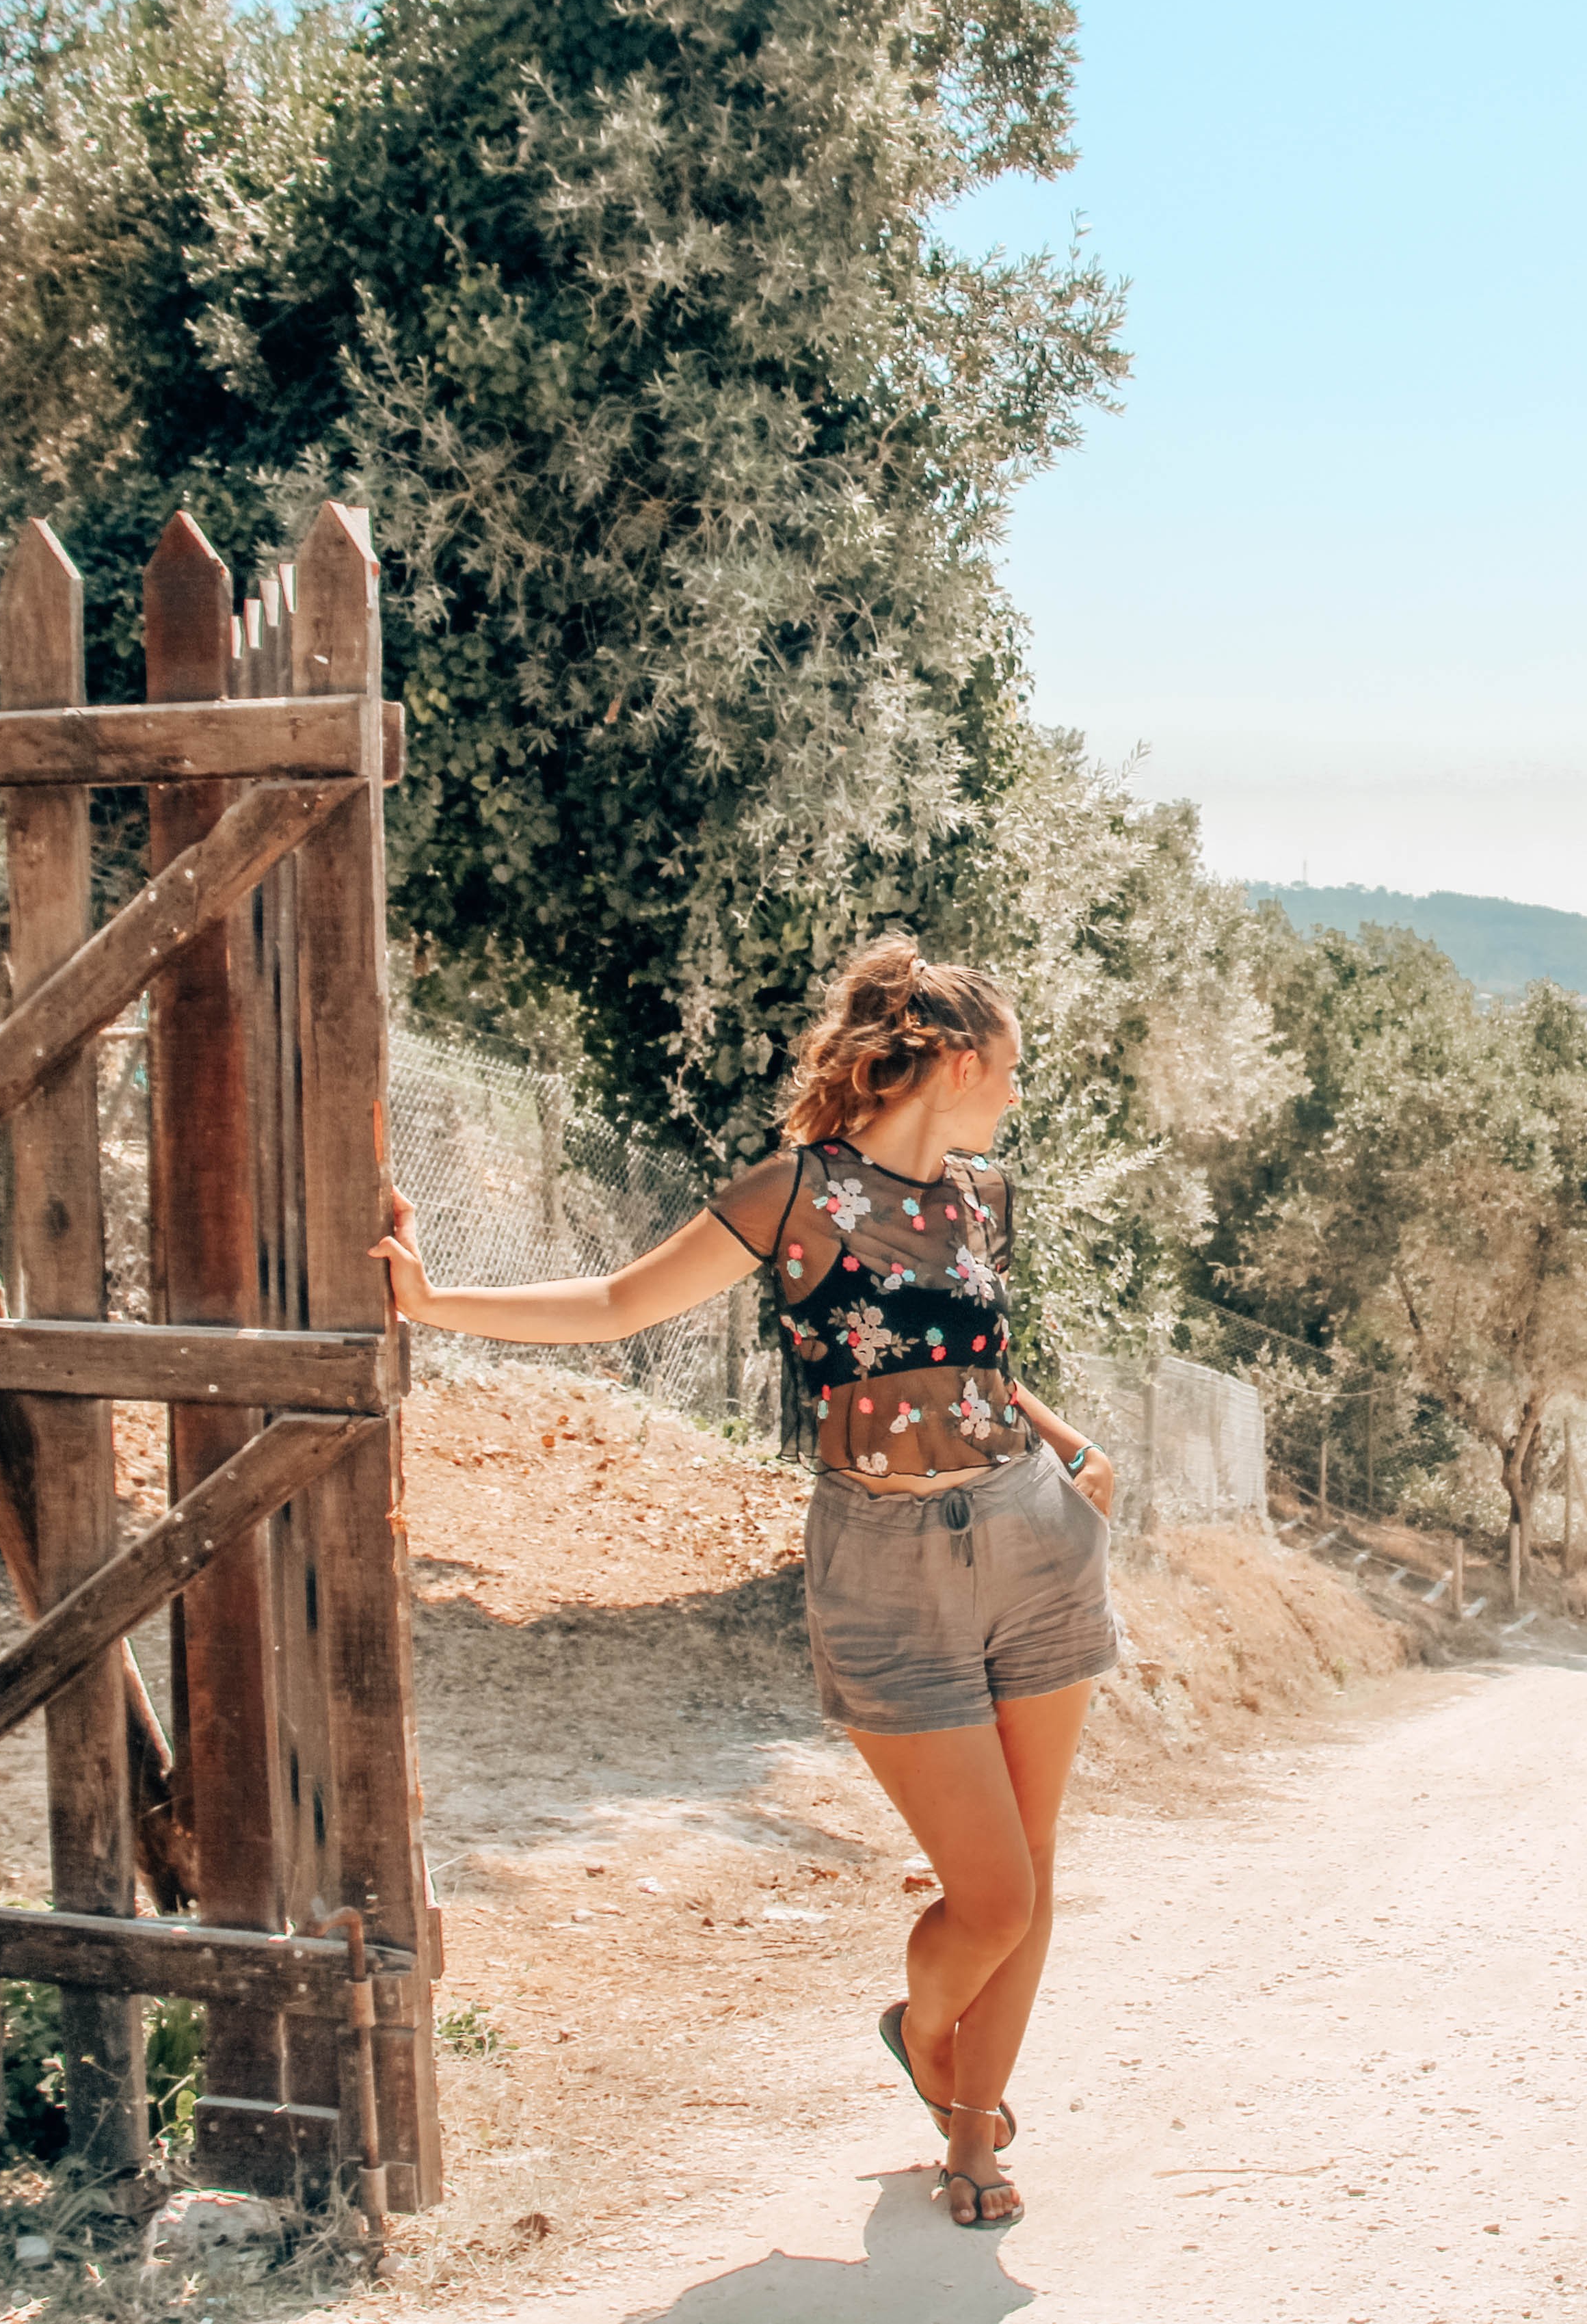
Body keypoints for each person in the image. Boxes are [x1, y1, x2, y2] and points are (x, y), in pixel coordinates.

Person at [369, 936, 1119, 2229]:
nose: (1015, 1094)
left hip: (1033, 1538)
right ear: (948, 1059)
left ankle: (974, 2135)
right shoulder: (798, 1194)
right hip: (883, 1567)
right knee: (988, 1891)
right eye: (1007, 1068)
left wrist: (1069, 1447)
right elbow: (615, 1304)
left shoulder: (983, 1194)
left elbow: (972, 1360)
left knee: (1035, 1873)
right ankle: (927, 2034)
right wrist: (436, 1306)